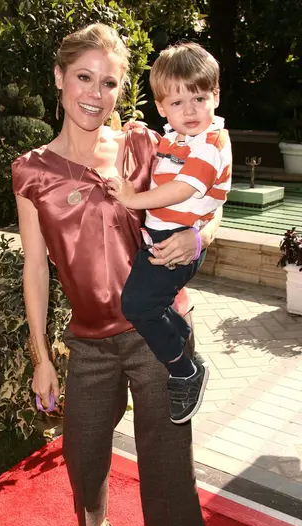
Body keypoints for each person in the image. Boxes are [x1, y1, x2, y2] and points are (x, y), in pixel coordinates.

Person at [12, 24, 222, 526]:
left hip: (156, 328)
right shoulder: (29, 169)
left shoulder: (140, 145)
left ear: (120, 90)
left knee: (163, 450)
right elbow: (35, 267)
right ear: (59, 77)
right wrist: (40, 357)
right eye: (84, 77)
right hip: (88, 337)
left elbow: (206, 198)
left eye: (109, 82)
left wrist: (201, 236)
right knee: (81, 450)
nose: (95, 93)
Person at [108, 42, 232, 426]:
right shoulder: (177, 139)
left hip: (179, 240)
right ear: (162, 107)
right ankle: (182, 341)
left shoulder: (212, 142)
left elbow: (181, 189)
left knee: (138, 306)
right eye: (177, 103)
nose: (190, 110)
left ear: (215, 96)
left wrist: (133, 198)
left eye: (199, 97)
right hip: (164, 238)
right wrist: (134, 130)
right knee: (146, 303)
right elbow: (164, 159)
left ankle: (185, 371)